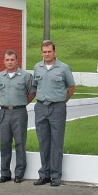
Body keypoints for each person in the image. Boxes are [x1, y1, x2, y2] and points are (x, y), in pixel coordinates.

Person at [32, 41, 76, 187]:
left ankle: (55, 176)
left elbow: (71, 86)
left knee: (57, 142)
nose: (47, 54)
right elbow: (34, 86)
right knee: (43, 142)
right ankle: (44, 174)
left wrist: (63, 101)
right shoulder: (37, 67)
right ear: (41, 53)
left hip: (57, 108)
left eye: (49, 51)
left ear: (54, 52)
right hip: (41, 107)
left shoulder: (63, 68)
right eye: (44, 52)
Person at [0, 50, 35, 184]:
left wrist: (20, 103)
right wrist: (7, 103)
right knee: (4, 144)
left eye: (12, 59)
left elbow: (32, 93)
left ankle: (19, 174)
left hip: (19, 112)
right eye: (7, 60)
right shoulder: (0, 76)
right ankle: (5, 173)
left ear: (17, 61)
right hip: (4, 112)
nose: (10, 62)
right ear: (3, 61)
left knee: (20, 143)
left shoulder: (25, 76)